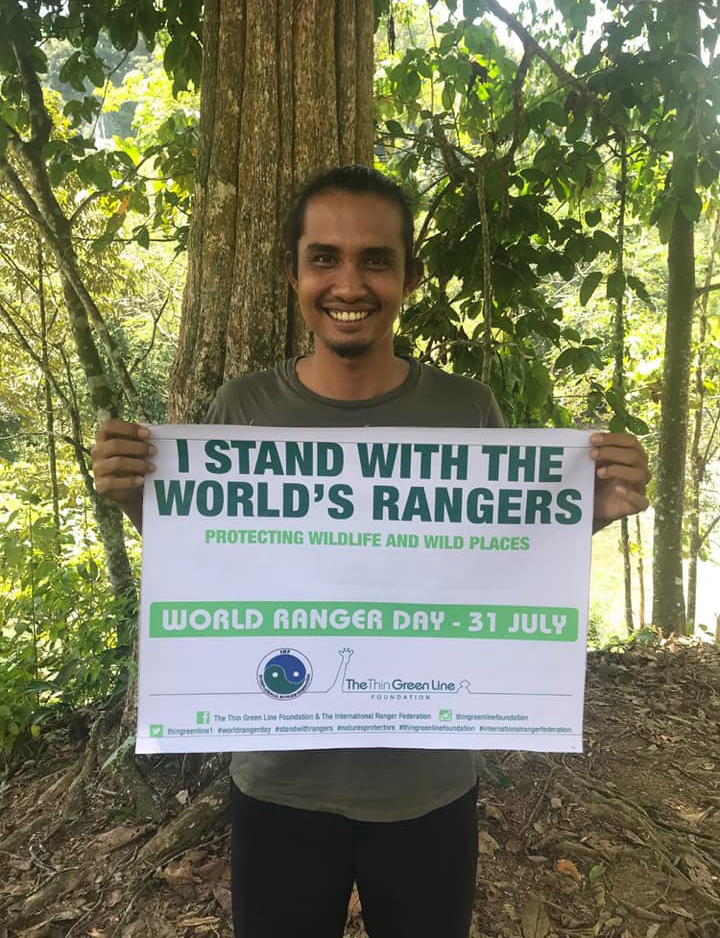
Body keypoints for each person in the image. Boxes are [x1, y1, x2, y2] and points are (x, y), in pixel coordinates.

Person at [92, 166, 650, 938]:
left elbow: (500, 557)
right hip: (279, 783)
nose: (348, 284)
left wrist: (590, 513)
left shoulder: (466, 411)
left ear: (409, 278)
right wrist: (136, 501)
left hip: (427, 786)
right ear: (293, 273)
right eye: (324, 257)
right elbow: (211, 558)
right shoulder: (242, 410)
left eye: (376, 260)